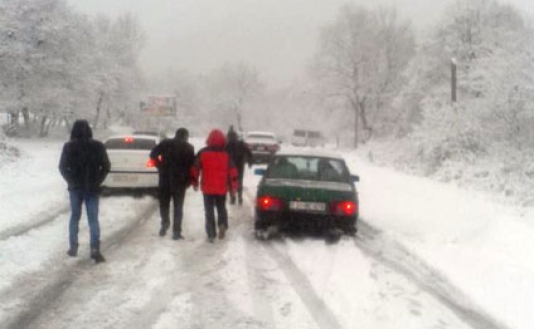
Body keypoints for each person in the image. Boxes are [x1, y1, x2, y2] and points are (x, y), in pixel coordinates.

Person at [58, 119, 110, 263]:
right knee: (93, 218)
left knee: (75, 217)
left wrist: (71, 180)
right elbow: (106, 166)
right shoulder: (98, 146)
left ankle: (73, 247)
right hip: (92, 188)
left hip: (75, 188)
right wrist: (97, 180)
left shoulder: (68, 147)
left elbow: (62, 167)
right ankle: (95, 249)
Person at [191, 129, 238, 242]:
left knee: (209, 210)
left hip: (207, 187)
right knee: (221, 208)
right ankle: (222, 224)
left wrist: (195, 182)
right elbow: (233, 171)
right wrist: (234, 187)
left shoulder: (203, 152)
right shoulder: (226, 154)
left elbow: (194, 168)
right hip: (222, 187)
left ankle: (211, 233)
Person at [150, 128, 195, 240]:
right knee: (178, 207)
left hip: (165, 178)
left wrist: (159, 166)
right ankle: (176, 232)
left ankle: (165, 223)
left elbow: (152, 155)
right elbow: (191, 166)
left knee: (164, 203)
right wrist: (189, 180)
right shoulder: (189, 148)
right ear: (185, 136)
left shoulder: (165, 143)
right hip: (180, 180)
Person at [226, 128, 252, 205]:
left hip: (231, 166)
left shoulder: (227, 145)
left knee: (231, 182)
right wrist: (250, 161)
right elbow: (249, 153)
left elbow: (248, 152)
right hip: (239, 165)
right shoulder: (241, 144)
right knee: (239, 181)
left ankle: (233, 197)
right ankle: (239, 197)